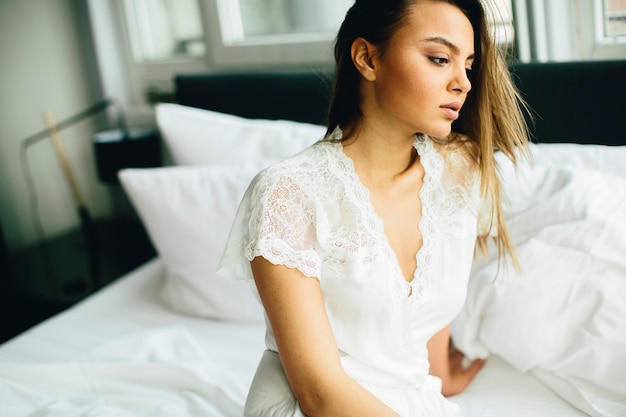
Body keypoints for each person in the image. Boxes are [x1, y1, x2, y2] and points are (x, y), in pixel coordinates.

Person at [217, 0, 530, 415]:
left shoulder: (462, 169)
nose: (464, 83)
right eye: (439, 59)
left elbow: (425, 294)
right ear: (367, 58)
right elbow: (318, 394)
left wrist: (442, 379)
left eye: (468, 65)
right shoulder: (288, 192)